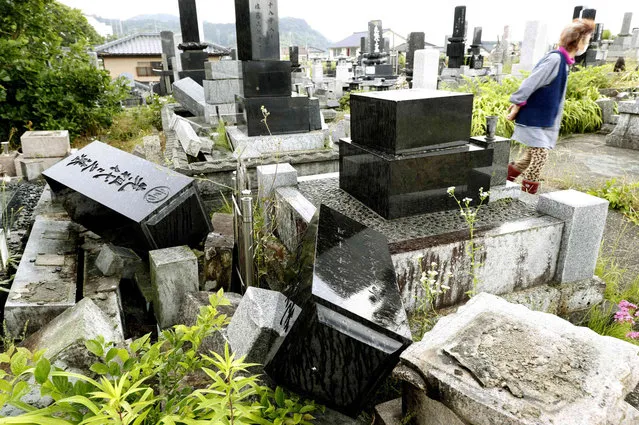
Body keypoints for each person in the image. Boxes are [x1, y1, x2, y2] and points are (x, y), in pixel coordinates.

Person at [506, 19, 595, 194]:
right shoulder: (555, 59)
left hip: (542, 119)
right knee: (540, 155)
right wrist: (518, 102)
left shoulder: (563, 61)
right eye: (587, 39)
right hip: (533, 118)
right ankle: (527, 195)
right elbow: (531, 81)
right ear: (578, 41)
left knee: (530, 156)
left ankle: (500, 181)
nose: (588, 44)